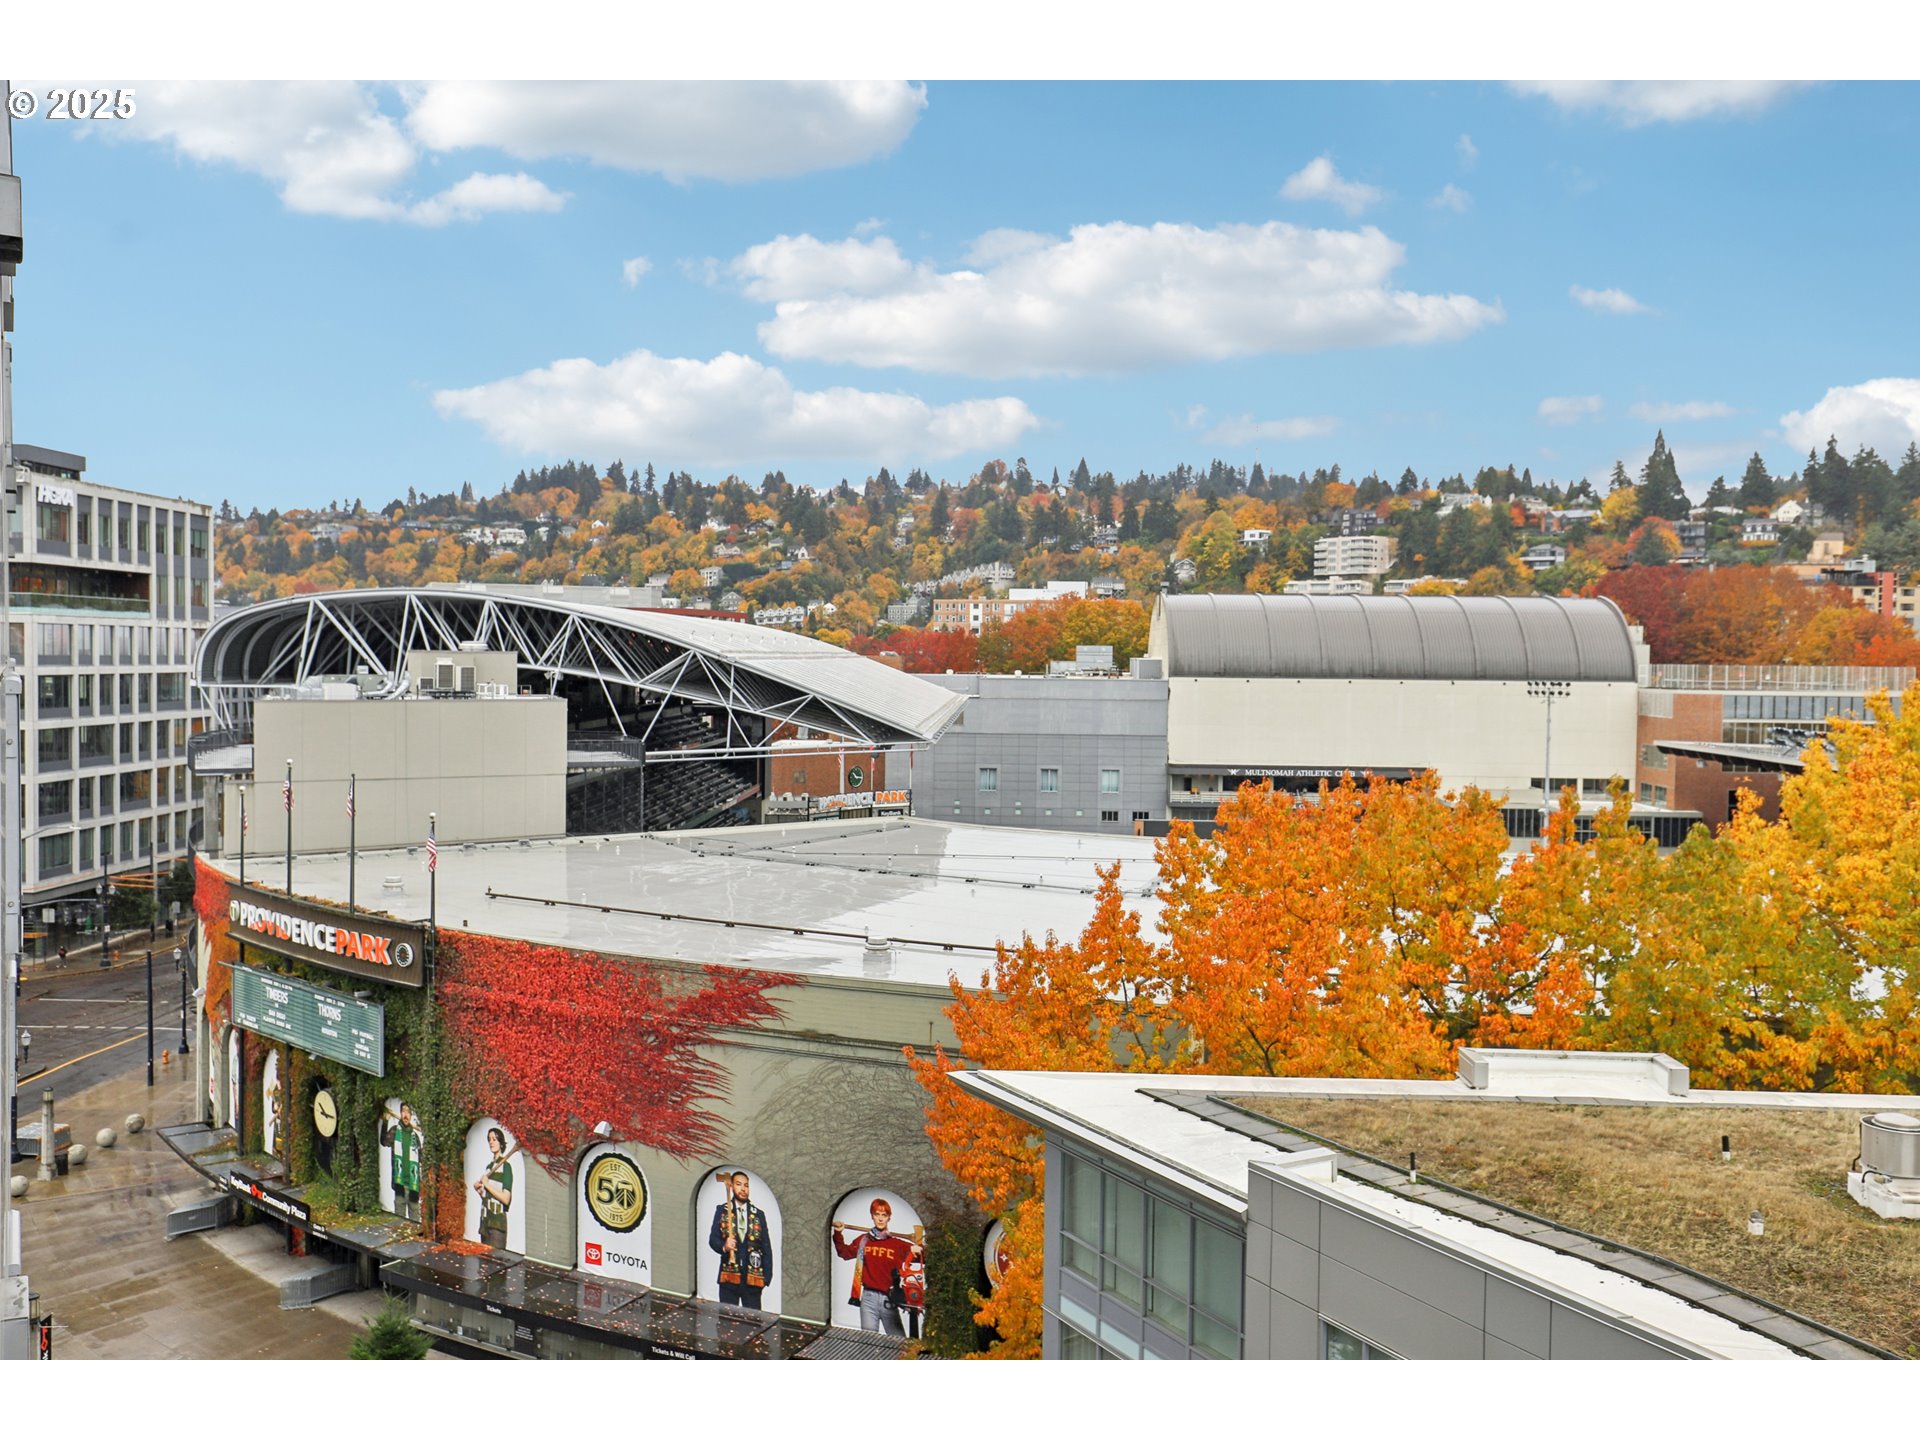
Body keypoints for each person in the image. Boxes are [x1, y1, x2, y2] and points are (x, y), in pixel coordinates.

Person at [832, 1198, 923, 1336]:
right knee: (868, 1342)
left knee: (898, 1344)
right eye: (877, 1214)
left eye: (884, 1215)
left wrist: (919, 1249)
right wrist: (838, 1233)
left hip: (890, 1298)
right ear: (872, 1216)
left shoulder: (898, 1245)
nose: (880, 1219)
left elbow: (925, 1258)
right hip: (868, 1299)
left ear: (889, 1218)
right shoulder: (863, 1241)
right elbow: (844, 1253)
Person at [708, 1170, 773, 1308]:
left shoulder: (758, 1215)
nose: (743, 1189)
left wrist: (766, 1278)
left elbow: (766, 1247)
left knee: (753, 1321)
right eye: (739, 1184)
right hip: (729, 1279)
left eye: (746, 1185)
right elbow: (713, 1239)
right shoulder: (722, 1210)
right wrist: (724, 1246)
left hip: (752, 1280)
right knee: (726, 1321)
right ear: (731, 1186)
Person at [380, 1101, 424, 1221]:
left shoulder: (415, 1137)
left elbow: (422, 1159)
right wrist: (385, 1122)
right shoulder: (395, 1131)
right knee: (399, 1222)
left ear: (411, 1116)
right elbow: (384, 1141)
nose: (406, 1115)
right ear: (400, 1113)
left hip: (413, 1186)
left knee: (415, 1222)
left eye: (408, 1112)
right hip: (400, 1184)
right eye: (404, 1111)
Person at [473, 1126, 514, 1248]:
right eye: (489, 1139)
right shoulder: (489, 1167)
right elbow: (488, 1197)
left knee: (495, 1262)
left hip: (497, 1225)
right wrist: (479, 1190)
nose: (491, 1142)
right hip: (485, 1222)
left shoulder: (506, 1167)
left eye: (494, 1139)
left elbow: (505, 1199)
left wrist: (487, 1185)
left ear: (501, 1143)